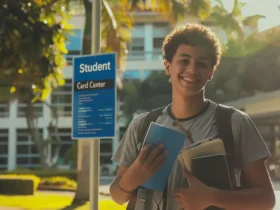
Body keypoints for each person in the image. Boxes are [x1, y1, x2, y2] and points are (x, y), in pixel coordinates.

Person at [109, 23, 276, 210]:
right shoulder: (142, 126)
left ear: (211, 72)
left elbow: (266, 200)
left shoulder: (235, 123)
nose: (192, 69)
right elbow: (117, 196)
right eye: (184, 61)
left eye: (202, 63)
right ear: (167, 66)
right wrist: (133, 177)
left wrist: (213, 197)